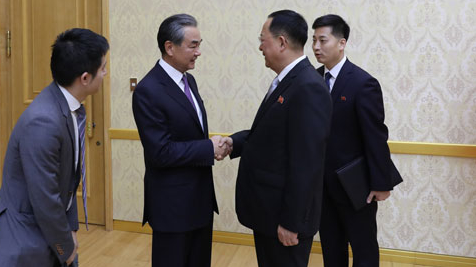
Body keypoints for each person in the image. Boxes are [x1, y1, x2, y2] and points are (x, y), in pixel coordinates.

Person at [222, 10, 332, 267]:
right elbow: (271, 135)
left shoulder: (308, 87)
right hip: (269, 213)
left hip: (285, 220)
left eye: (263, 39)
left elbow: (307, 163)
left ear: (282, 42)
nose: (260, 46)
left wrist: (291, 223)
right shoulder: (288, 81)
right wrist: (233, 142)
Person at [0, 28, 109, 267]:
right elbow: (45, 198)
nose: (105, 73)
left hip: (48, 229)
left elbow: (66, 184)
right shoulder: (43, 121)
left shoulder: (68, 106)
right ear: (84, 78)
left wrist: (70, 231)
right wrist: (65, 248)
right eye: (102, 68)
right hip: (27, 239)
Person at [132, 14, 229, 267]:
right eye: (193, 45)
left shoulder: (189, 81)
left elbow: (188, 133)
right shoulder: (148, 90)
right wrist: (208, 147)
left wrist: (212, 145)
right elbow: (160, 152)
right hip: (172, 207)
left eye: (200, 44)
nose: (199, 52)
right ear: (169, 47)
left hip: (199, 201)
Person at [312, 14, 400, 267]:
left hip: (355, 187)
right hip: (321, 186)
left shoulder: (363, 83)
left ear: (342, 43)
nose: (317, 47)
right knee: (331, 248)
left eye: (323, 40)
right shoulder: (312, 80)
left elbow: (375, 137)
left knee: (364, 250)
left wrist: (381, 183)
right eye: (314, 40)